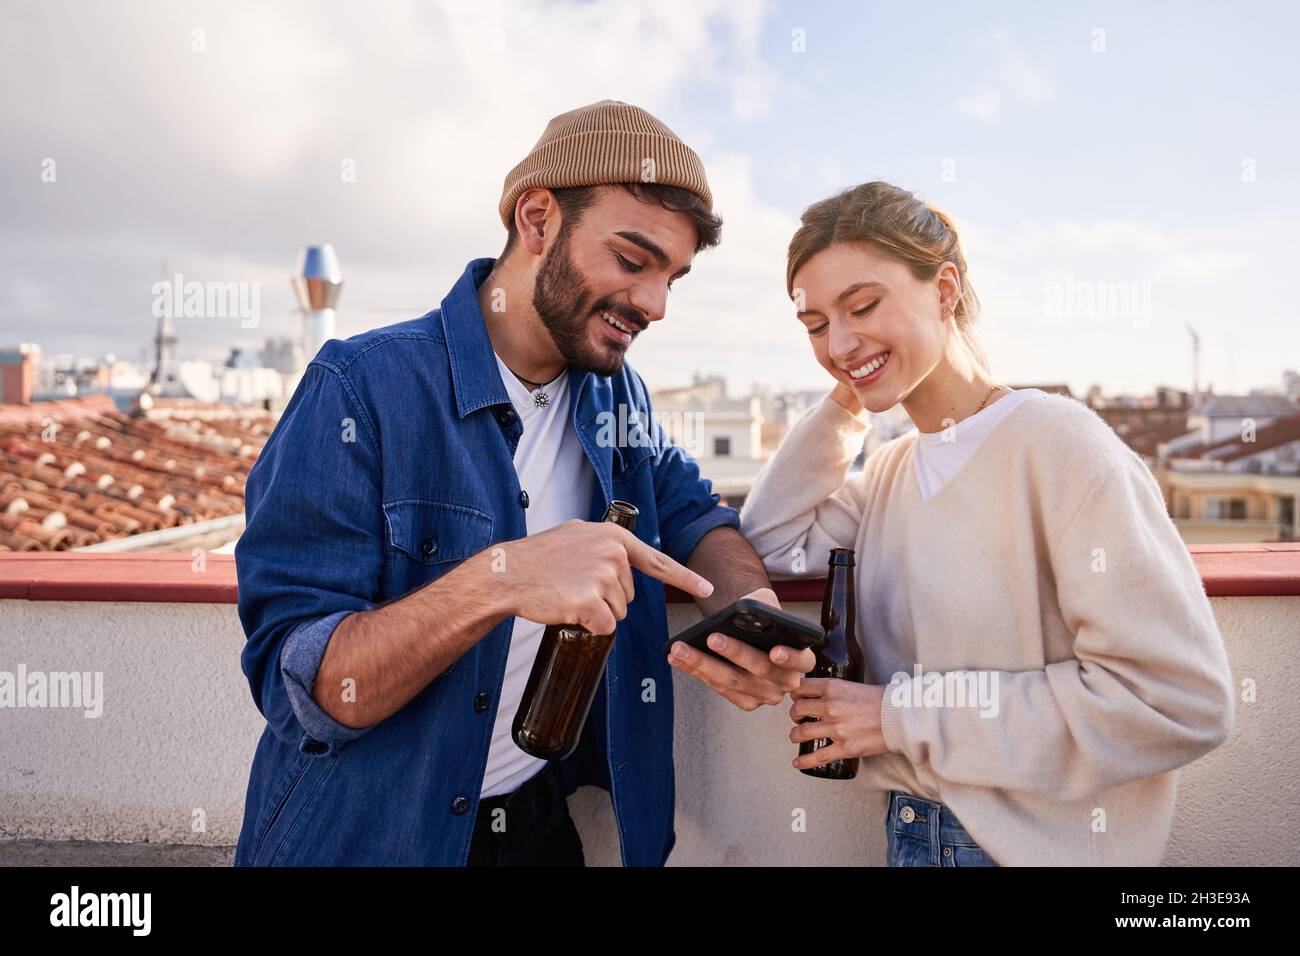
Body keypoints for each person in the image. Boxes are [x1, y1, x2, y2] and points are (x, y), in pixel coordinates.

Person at [233, 100, 815, 867]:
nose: (655, 304)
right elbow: (305, 692)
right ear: (537, 219)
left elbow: (696, 514)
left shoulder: (618, 397)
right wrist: (503, 579)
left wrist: (748, 609)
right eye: (633, 260)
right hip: (370, 833)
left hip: (534, 823)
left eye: (672, 277)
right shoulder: (360, 388)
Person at [739, 181, 1235, 866]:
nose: (839, 340)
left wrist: (897, 716)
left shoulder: (1059, 444)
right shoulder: (891, 471)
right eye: (816, 325)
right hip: (911, 832)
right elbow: (767, 541)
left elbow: (1178, 700)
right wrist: (848, 396)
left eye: (863, 305)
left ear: (944, 290)